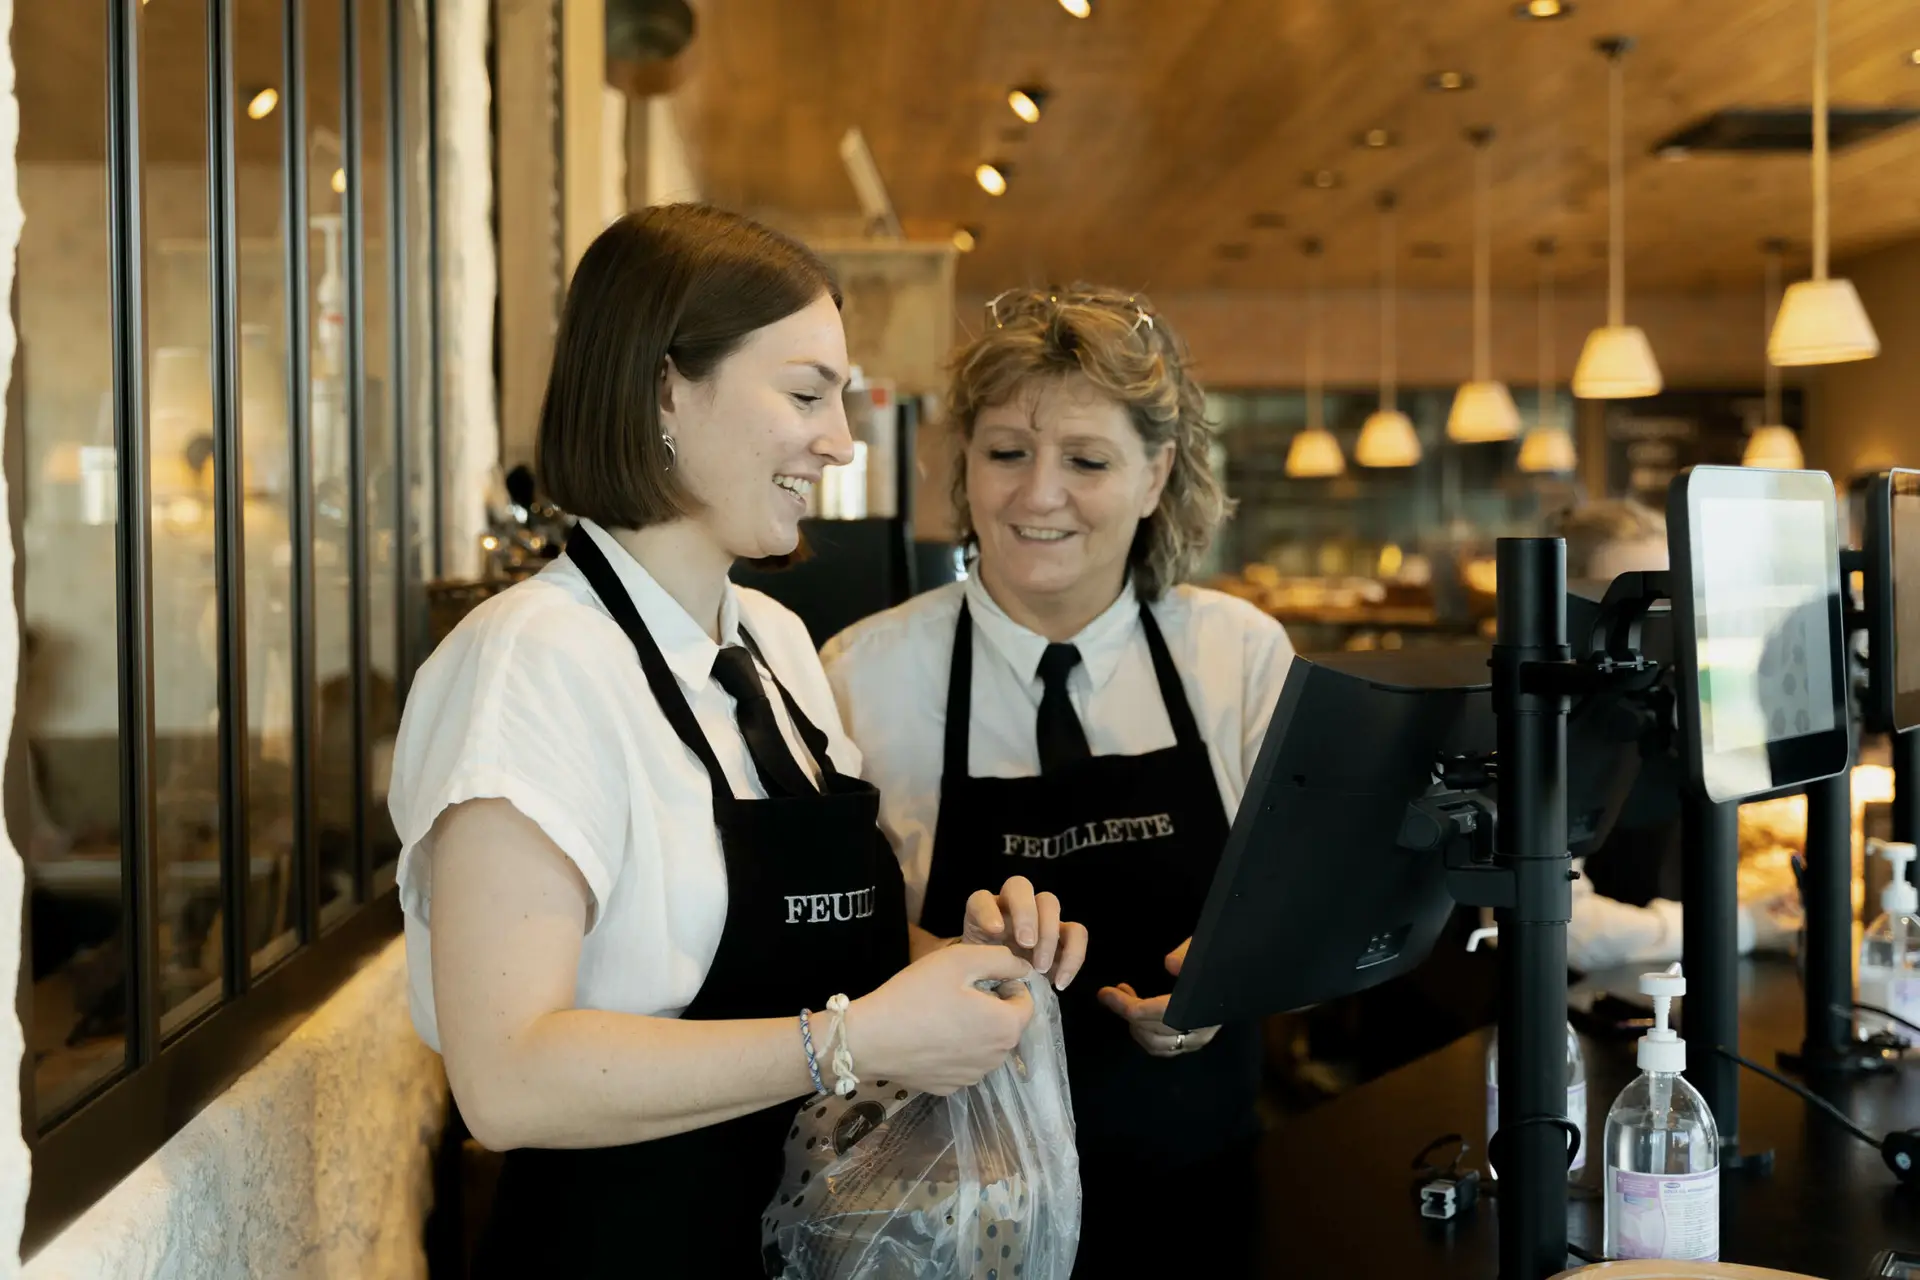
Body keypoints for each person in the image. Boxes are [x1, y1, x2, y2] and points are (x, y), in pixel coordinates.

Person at [388, 206, 1087, 1278]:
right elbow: (510, 1079)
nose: (841, 439)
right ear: (666, 390)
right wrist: (856, 1040)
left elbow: (815, 948)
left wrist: (956, 967)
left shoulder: (773, 640)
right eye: (806, 393)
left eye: (839, 399)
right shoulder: (532, 664)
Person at [821, 285, 1294, 1275]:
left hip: (1200, 1190)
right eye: (1007, 453)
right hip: (946, 1210)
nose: (1039, 495)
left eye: (1087, 460)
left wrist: (1233, 971)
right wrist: (935, 957)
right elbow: (826, 941)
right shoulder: (861, 675)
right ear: (966, 466)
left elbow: (1309, 899)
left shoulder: (1238, 654)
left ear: (1157, 473)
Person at [1554, 499, 1802, 972]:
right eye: (1636, 607)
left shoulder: (1675, 708)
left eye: (1671, 602)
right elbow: (1565, 926)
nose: (1659, 629)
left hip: (1662, 988)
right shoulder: (1543, 727)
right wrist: (1739, 927)